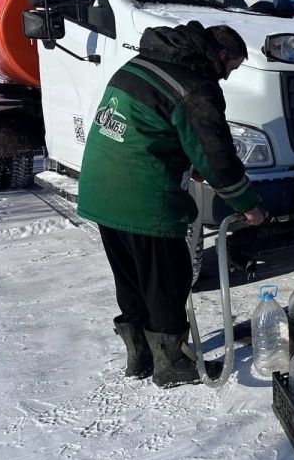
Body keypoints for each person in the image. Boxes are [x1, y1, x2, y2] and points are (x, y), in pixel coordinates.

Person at [78, 21, 265, 388]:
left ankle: (139, 356)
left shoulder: (140, 64)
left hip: (100, 188)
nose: (227, 77)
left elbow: (146, 126)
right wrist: (248, 204)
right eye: (232, 68)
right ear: (221, 55)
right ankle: (171, 364)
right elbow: (219, 158)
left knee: (131, 276)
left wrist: (188, 161)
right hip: (142, 197)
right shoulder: (196, 87)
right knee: (168, 279)